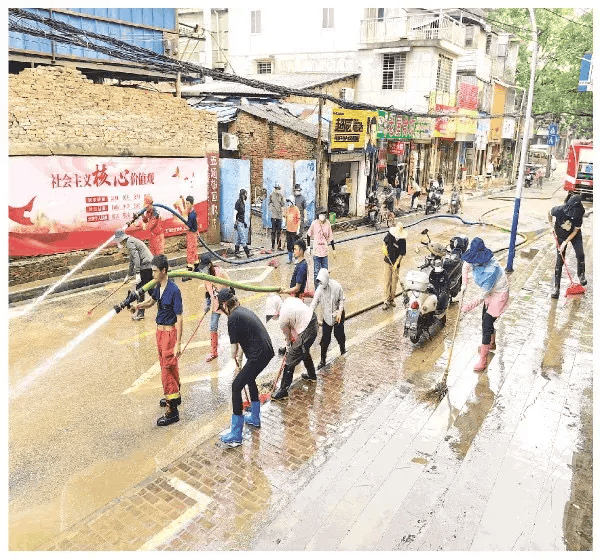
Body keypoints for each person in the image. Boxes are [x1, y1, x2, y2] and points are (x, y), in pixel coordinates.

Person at [217, 287, 275, 447]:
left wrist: (235, 362)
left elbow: (234, 350)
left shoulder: (232, 318)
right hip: (266, 351)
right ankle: (254, 417)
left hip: (259, 354)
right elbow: (243, 343)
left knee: (236, 386)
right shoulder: (242, 311)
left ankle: (236, 433)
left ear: (224, 304)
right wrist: (240, 364)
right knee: (249, 378)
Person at [130, 254, 183, 426]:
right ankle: (174, 396)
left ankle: (172, 411)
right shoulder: (159, 287)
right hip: (159, 333)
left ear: (164, 271)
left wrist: (179, 343)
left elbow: (180, 317)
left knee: (167, 369)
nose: (152, 274)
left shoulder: (174, 290)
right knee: (166, 366)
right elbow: (151, 302)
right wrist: (137, 306)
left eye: (154, 271)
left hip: (169, 335)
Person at [460, 237, 510, 372]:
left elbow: (482, 295)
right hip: (489, 293)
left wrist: (466, 307)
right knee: (484, 319)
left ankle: (483, 359)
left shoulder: (491, 270)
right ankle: (491, 343)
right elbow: (465, 266)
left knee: (487, 323)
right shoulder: (473, 259)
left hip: (499, 292)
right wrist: (464, 284)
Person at [265, 293, 319, 400]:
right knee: (303, 350)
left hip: (307, 328)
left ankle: (283, 391)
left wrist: (289, 349)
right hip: (312, 320)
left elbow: (289, 339)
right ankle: (312, 375)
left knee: (290, 360)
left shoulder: (283, 319)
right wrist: (291, 344)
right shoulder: (289, 300)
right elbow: (292, 331)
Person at [548, 194, 587, 298]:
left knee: (580, 254)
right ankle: (556, 289)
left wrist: (566, 242)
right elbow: (549, 213)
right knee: (559, 261)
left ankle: (581, 274)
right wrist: (551, 226)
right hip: (560, 235)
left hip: (575, 236)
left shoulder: (580, 212)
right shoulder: (559, 210)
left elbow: (575, 230)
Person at [309, 268, 346, 369]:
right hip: (327, 317)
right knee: (325, 340)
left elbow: (342, 299)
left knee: (339, 335)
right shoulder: (319, 290)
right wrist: (308, 314)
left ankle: (343, 349)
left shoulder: (336, 286)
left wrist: (339, 312)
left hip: (338, 314)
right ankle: (322, 360)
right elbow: (314, 303)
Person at [114, 229, 153, 321]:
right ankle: (163, 306)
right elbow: (132, 261)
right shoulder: (130, 242)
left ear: (121, 240)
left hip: (146, 265)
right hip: (149, 265)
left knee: (140, 290)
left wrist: (138, 273)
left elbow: (136, 257)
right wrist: (128, 275)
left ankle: (140, 313)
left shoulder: (130, 242)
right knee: (150, 289)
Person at [199, 254, 231, 362]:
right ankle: (214, 352)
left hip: (227, 302)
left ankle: (241, 346)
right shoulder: (205, 277)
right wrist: (207, 305)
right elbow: (208, 293)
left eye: (204, 267)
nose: (202, 270)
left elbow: (230, 285)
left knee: (234, 324)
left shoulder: (220, 272)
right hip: (216, 305)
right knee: (213, 326)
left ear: (209, 265)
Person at [307, 207, 335, 289]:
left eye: (324, 214)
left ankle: (325, 289)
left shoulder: (328, 224)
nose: (322, 216)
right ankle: (317, 291)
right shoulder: (314, 224)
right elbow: (308, 234)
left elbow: (331, 237)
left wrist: (333, 249)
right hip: (317, 251)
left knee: (325, 272)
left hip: (325, 251)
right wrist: (309, 247)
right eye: (321, 214)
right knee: (316, 272)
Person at [381, 219, 406, 310]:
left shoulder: (402, 240)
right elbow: (384, 242)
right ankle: (386, 301)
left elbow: (402, 253)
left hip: (396, 264)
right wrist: (384, 247)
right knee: (387, 281)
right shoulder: (390, 235)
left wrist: (396, 263)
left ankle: (392, 299)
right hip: (388, 262)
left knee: (394, 282)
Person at [174, 195, 199, 281]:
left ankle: (189, 273)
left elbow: (189, 226)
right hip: (193, 233)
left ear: (192, 204)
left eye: (188, 204)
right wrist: (183, 201)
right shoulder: (192, 211)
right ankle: (196, 268)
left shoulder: (192, 215)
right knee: (194, 251)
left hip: (191, 234)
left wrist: (185, 226)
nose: (187, 205)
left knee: (190, 251)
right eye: (186, 203)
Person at [234, 189, 252, 258]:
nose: (246, 196)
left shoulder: (243, 203)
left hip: (241, 222)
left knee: (239, 238)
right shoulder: (238, 202)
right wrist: (234, 223)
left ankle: (236, 251)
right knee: (243, 238)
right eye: (245, 194)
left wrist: (244, 222)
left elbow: (242, 214)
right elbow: (235, 213)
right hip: (238, 222)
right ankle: (247, 253)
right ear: (242, 194)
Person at [283, 197, 301, 264]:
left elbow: (298, 219)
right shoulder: (288, 209)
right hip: (288, 230)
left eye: (290, 201)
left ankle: (296, 258)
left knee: (294, 245)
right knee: (289, 245)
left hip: (294, 230)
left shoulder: (296, 209)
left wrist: (298, 228)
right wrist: (284, 223)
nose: (289, 203)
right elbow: (285, 216)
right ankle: (290, 259)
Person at [268, 184, 285, 251]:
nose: (277, 190)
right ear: (274, 189)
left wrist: (282, 215)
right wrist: (272, 210)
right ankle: (272, 246)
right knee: (273, 232)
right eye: (276, 188)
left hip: (279, 216)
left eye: (278, 189)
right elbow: (269, 204)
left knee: (279, 232)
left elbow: (283, 205)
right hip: (274, 216)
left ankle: (279, 246)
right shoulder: (271, 195)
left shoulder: (280, 196)